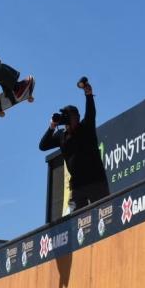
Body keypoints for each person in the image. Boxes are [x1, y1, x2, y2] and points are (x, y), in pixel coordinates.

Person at [38, 78, 108, 213]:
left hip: (96, 181)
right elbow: (43, 145)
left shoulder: (85, 127)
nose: (65, 119)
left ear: (76, 117)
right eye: (64, 116)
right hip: (77, 186)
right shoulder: (61, 136)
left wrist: (88, 95)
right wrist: (52, 126)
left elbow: (91, 113)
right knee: (77, 221)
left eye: (68, 116)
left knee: (105, 214)